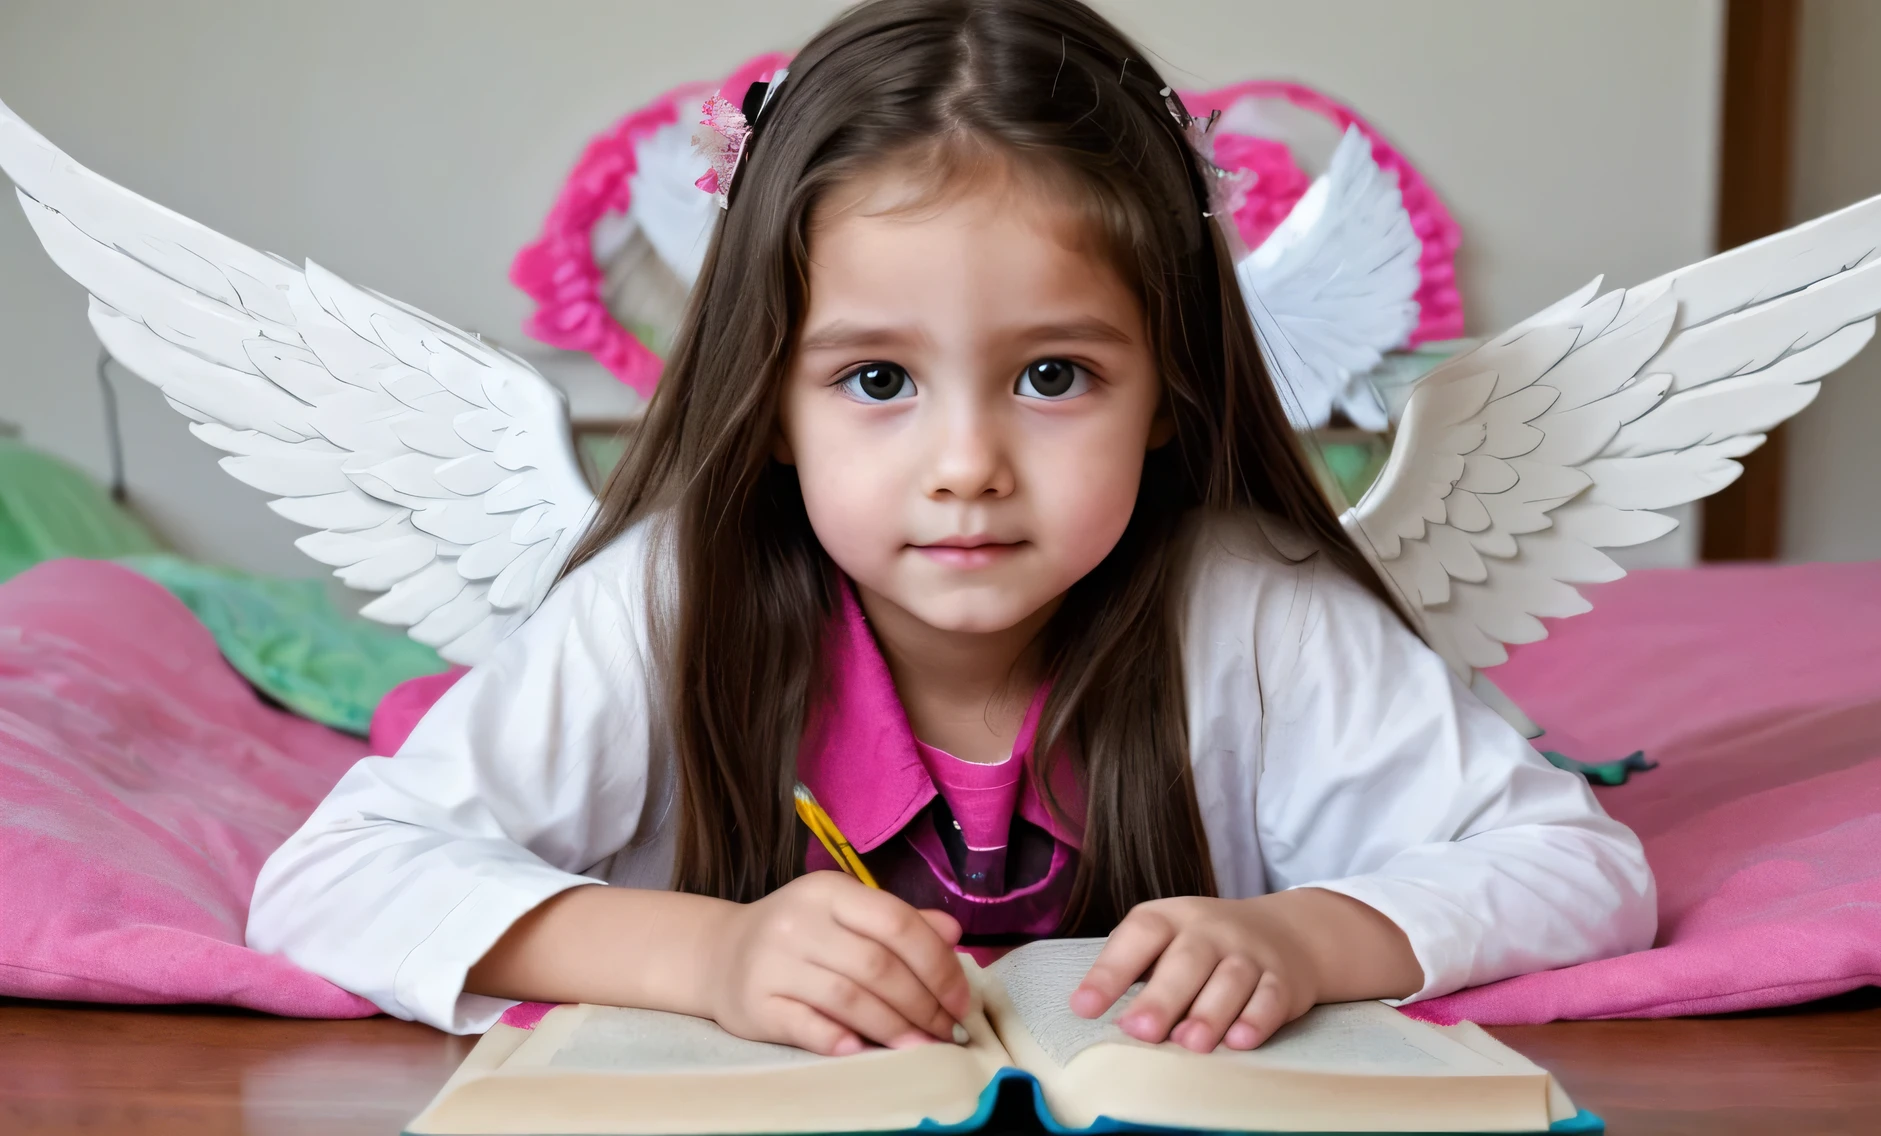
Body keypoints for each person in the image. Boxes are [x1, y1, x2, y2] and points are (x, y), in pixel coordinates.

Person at [247, 0, 1654, 1057]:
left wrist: (1307, 935)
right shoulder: (667, 602)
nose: (967, 465)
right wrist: (712, 959)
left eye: (1055, 376)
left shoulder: (1258, 608)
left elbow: (1580, 869)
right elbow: (335, 881)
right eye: (877, 382)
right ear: (773, 399)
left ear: (1168, 388)